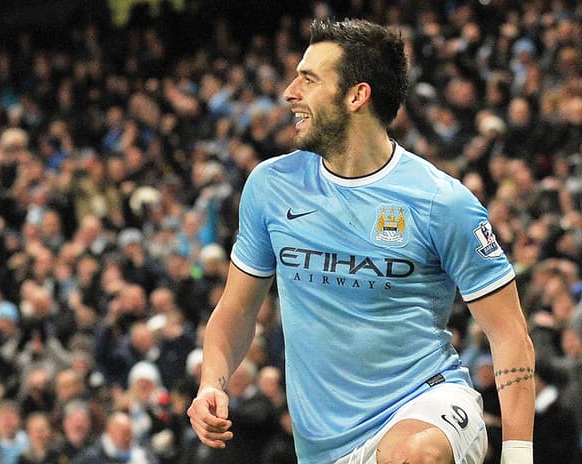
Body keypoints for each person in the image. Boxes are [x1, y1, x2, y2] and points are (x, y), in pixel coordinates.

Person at [187, 18, 535, 464]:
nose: (289, 92)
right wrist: (211, 385)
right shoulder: (270, 186)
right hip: (323, 448)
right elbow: (235, 310)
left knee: (411, 455)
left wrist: (519, 455)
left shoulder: (441, 202)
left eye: (308, 79)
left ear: (357, 95)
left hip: (425, 402)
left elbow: (509, 333)